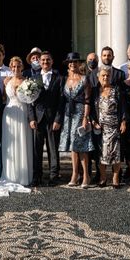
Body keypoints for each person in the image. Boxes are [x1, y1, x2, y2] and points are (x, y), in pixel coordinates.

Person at [0, 57, 33, 196]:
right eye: (13, 67)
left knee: (22, 142)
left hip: (22, 113)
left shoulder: (27, 81)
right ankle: (11, 175)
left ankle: (23, 175)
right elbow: (4, 99)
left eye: (18, 66)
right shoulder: (6, 81)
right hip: (9, 113)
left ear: (22, 67)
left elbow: (30, 101)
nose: (16, 69)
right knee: (10, 145)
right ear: (10, 67)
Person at [55, 52, 94, 189]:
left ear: (79, 64)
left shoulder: (85, 79)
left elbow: (88, 100)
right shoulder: (64, 79)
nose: (73, 64)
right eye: (70, 62)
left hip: (80, 113)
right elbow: (62, 100)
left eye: (75, 62)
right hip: (68, 115)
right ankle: (74, 174)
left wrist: (85, 118)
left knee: (81, 145)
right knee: (73, 146)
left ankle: (86, 176)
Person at [28, 51, 62, 186]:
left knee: (53, 149)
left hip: (53, 119)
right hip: (38, 119)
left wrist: (58, 119)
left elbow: (61, 101)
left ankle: (54, 176)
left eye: (48, 60)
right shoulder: (34, 78)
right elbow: (29, 101)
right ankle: (37, 176)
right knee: (37, 150)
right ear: (39, 62)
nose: (45, 62)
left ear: (52, 61)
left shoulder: (59, 78)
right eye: (43, 60)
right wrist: (31, 118)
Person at [92, 67, 127, 188]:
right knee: (101, 154)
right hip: (101, 128)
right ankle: (103, 177)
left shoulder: (116, 90)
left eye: (107, 75)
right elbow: (91, 109)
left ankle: (115, 177)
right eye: (103, 75)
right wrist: (93, 121)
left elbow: (122, 107)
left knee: (115, 153)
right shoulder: (95, 91)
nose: (105, 77)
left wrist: (123, 121)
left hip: (114, 126)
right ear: (98, 77)